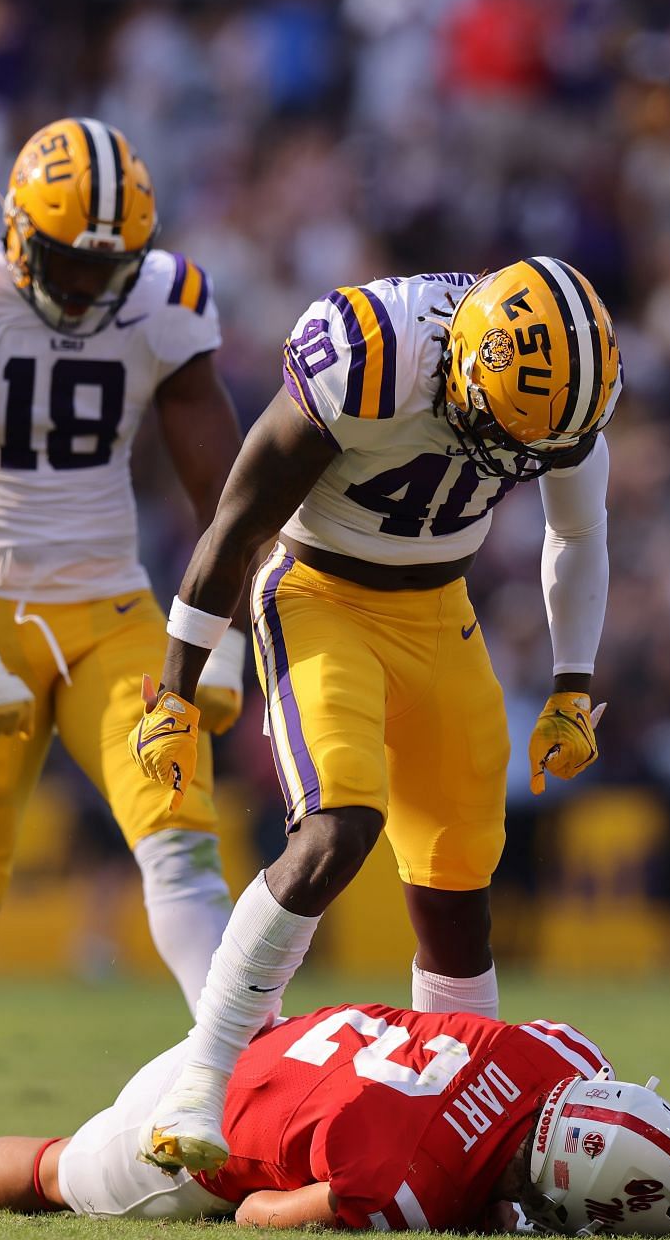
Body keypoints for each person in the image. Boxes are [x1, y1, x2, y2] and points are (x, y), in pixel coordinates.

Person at [129, 260, 617, 1171]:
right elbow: (236, 520)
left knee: (460, 877)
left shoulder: (565, 391)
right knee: (339, 826)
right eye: (507, 426)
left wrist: (573, 684)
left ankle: (454, 1123)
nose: (518, 455)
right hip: (320, 593)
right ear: (467, 361)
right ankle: (207, 1069)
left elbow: (578, 532)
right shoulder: (375, 353)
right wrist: (175, 690)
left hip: (441, 611)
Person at [0, 117, 246, 1151]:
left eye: (107, 267)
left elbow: (225, 492)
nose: (87, 289)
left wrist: (226, 633)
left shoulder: (166, 300)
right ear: (13, 232)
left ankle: (229, 1079)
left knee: (182, 853)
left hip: (115, 620)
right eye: (69, 263)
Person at [0, 1002, 670, 1238]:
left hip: (257, 1039)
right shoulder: (407, 1192)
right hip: (202, 1128)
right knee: (52, 1174)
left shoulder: (565, 1056)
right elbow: (257, 1210)